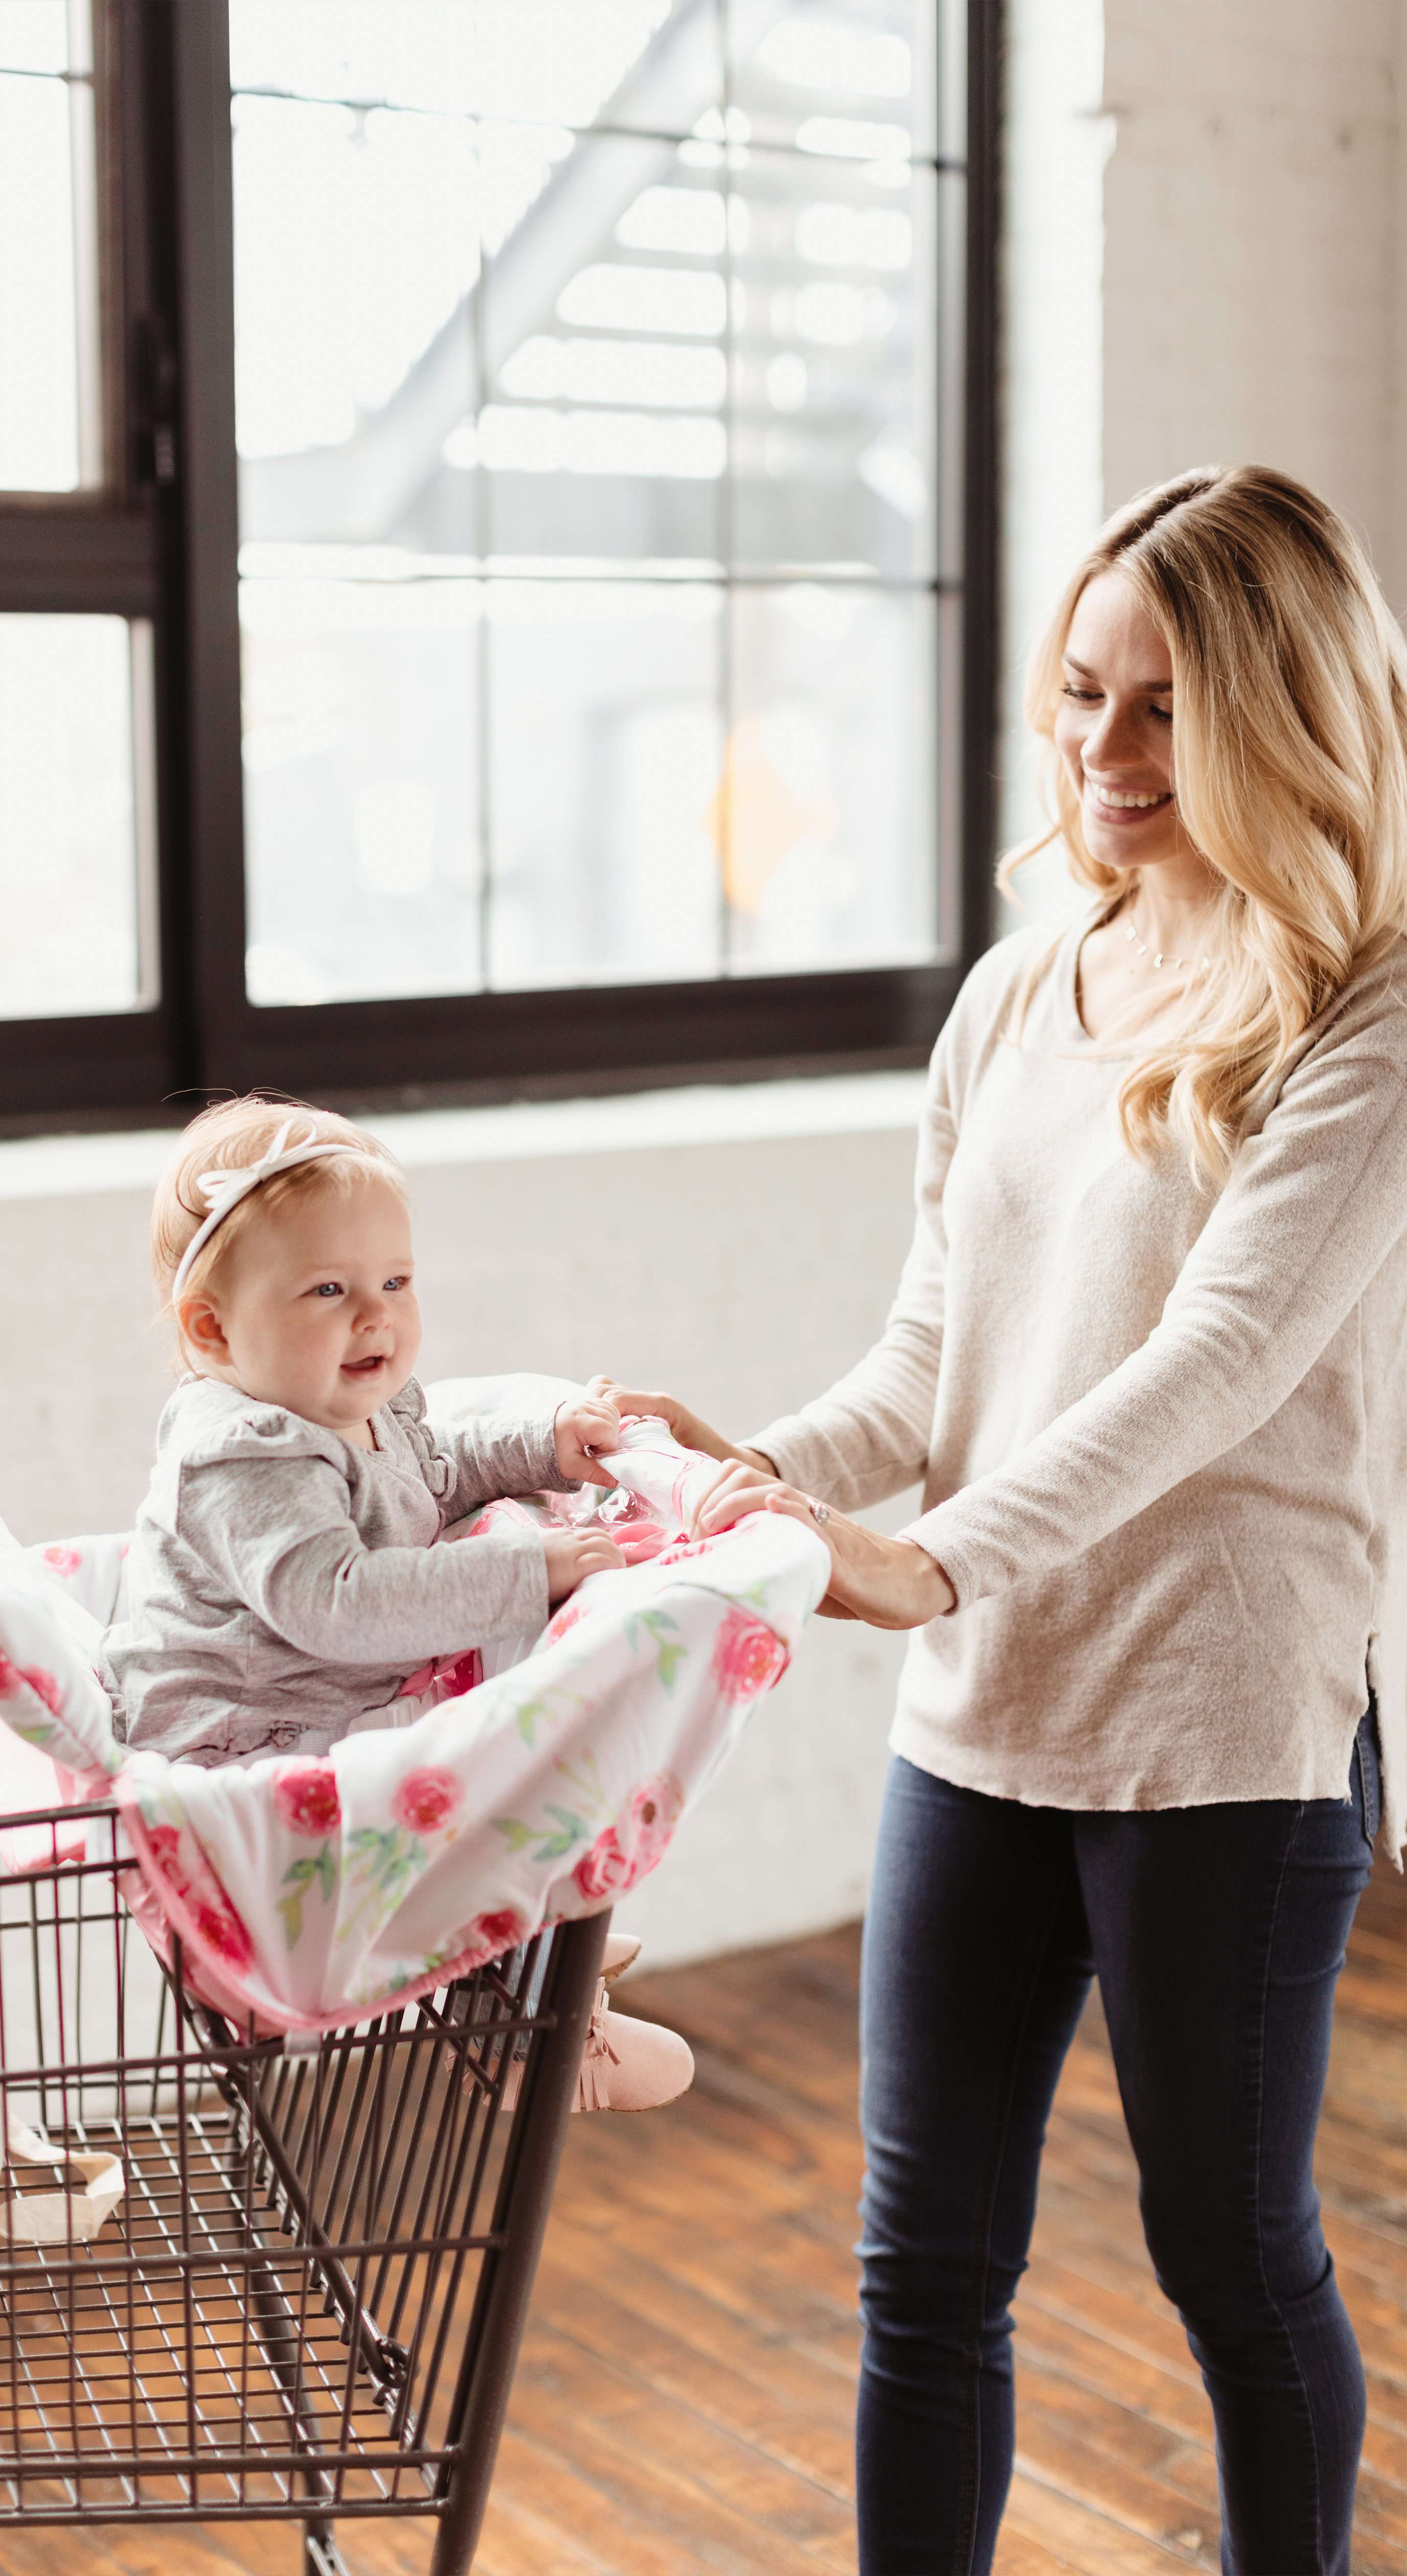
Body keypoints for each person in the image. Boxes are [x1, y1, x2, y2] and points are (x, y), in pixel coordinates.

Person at [599, 465, 1406, 2572]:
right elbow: (932, 1366)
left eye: (1164, 712)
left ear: (1281, 718)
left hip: (1220, 1730)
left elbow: (1213, 1365)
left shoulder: (1365, 1008)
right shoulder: (1019, 989)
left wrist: (933, 1557)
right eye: (1081, 696)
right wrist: (748, 1481)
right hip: (987, 1719)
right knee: (922, 2265)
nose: (1103, 756)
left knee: (1231, 2263)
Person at [101, 1093, 693, 2111]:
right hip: (242, 1750)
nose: (375, 1314)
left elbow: (432, 1474)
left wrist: (542, 1444)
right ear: (213, 1327)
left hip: (322, 1710)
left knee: (499, 1674)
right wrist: (538, 1566)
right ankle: (528, 2006)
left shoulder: (358, 1407)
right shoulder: (244, 1454)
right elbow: (338, 1601)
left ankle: (538, 1943)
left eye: (395, 1280)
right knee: (490, 1741)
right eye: (327, 1289)